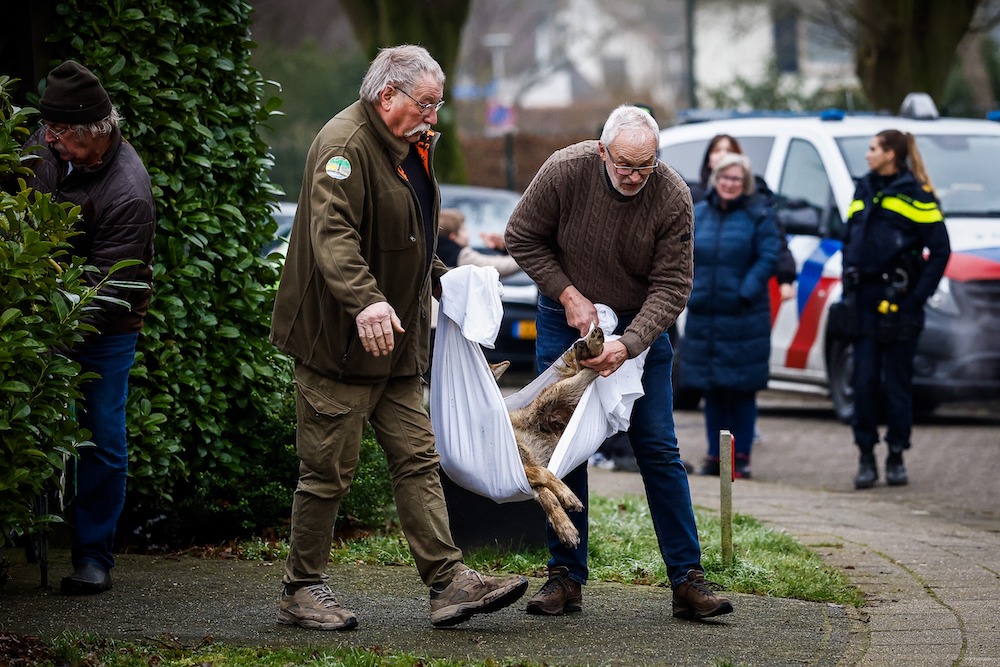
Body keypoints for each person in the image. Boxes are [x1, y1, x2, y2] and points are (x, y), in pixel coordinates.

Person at [269, 44, 528, 631]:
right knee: (327, 472)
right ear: (388, 95)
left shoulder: (410, 148)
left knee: (417, 459)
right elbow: (333, 237)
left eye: (437, 106)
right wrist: (366, 302)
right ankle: (300, 590)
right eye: (427, 104)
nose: (434, 118)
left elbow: (409, 241)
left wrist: (448, 286)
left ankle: (448, 583)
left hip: (397, 346)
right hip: (336, 343)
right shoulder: (343, 147)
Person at [505, 104, 734, 621]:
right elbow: (521, 235)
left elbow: (673, 286)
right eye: (625, 164)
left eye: (645, 166)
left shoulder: (672, 195)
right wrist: (565, 293)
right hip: (565, 319)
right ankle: (564, 576)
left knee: (657, 446)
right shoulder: (566, 170)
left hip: (638, 324)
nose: (634, 176)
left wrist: (629, 344)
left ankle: (687, 578)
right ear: (603, 150)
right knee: (565, 446)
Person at [24, 60, 156, 595]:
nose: (50, 141)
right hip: (40, 313)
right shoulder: (45, 147)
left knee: (101, 436)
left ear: (94, 132)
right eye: (48, 130)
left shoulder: (129, 191)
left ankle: (94, 555)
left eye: (61, 134)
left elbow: (109, 289)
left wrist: (52, 335)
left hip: (106, 321)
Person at [841, 130, 950, 489]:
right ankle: (865, 456)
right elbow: (849, 241)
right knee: (864, 382)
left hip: (901, 303)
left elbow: (940, 251)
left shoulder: (916, 194)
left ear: (891, 154)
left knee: (897, 386)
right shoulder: (864, 188)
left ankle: (897, 456)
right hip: (865, 302)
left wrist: (916, 298)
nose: (868, 155)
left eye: (873, 149)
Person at [681, 154, 781, 479]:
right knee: (711, 390)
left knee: (741, 390)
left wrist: (746, 291)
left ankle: (741, 457)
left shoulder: (759, 215)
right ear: (715, 180)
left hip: (743, 318)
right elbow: (683, 255)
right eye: (725, 178)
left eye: (736, 179)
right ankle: (715, 456)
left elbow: (769, 256)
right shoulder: (699, 214)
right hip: (705, 318)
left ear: (746, 183)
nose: (729, 184)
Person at [690, 134, 796, 301]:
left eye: (729, 150)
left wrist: (785, 277)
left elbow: (774, 244)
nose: (723, 154)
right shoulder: (695, 200)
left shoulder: (757, 201)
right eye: (717, 150)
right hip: (702, 303)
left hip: (742, 303)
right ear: (708, 158)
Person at [436, 207, 520, 275]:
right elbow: (498, 267)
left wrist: (503, 248)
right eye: (463, 229)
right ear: (453, 236)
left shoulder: (434, 252)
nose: (468, 233)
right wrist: (524, 255)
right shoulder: (460, 256)